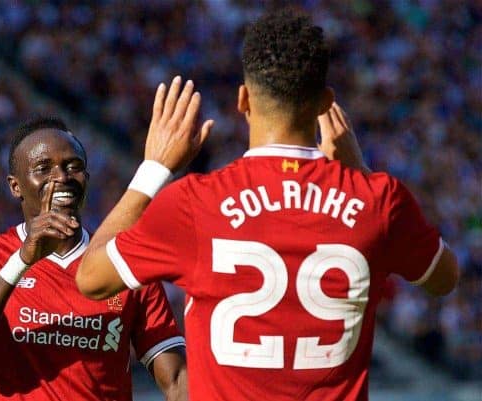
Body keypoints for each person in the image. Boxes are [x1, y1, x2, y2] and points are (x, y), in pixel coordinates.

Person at [74, 10, 459, 401]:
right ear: (326, 103)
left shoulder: (195, 203)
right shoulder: (378, 200)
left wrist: (154, 169)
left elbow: (91, 279)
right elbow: (443, 279)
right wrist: (357, 170)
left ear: (243, 99)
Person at [0, 117, 187, 401]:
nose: (61, 177)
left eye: (73, 166)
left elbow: (177, 379)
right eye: (43, 168)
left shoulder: (121, 262)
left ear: (87, 179)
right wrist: (22, 260)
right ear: (15, 186)